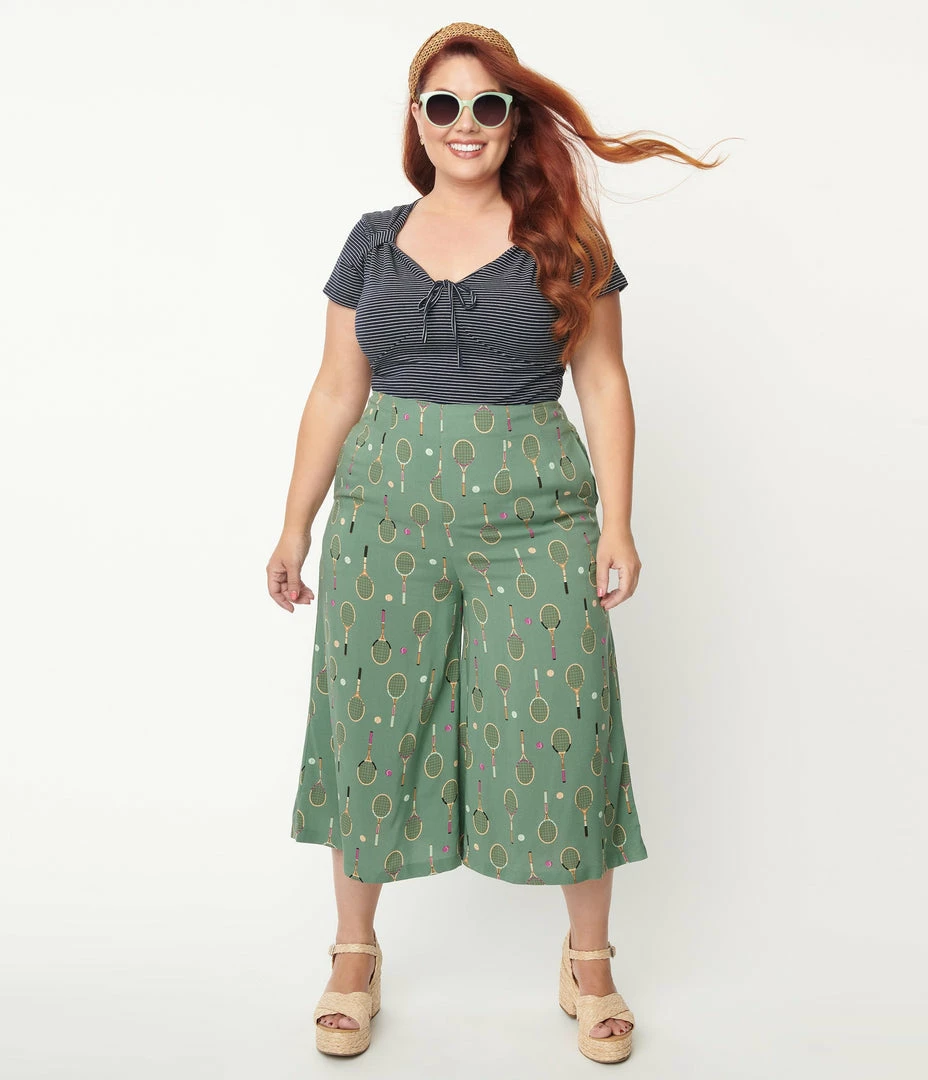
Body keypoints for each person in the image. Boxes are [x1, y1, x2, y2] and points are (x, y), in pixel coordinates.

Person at [266, 21, 721, 1064]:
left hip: (536, 522)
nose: (463, 123)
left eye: (486, 105)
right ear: (416, 120)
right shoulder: (371, 240)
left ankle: (590, 965)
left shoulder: (564, 240)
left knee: (565, 723)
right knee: (371, 723)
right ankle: (352, 956)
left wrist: (617, 520)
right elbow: (335, 389)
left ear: (512, 123)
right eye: (443, 104)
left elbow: (602, 381)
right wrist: (295, 522)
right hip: (383, 518)